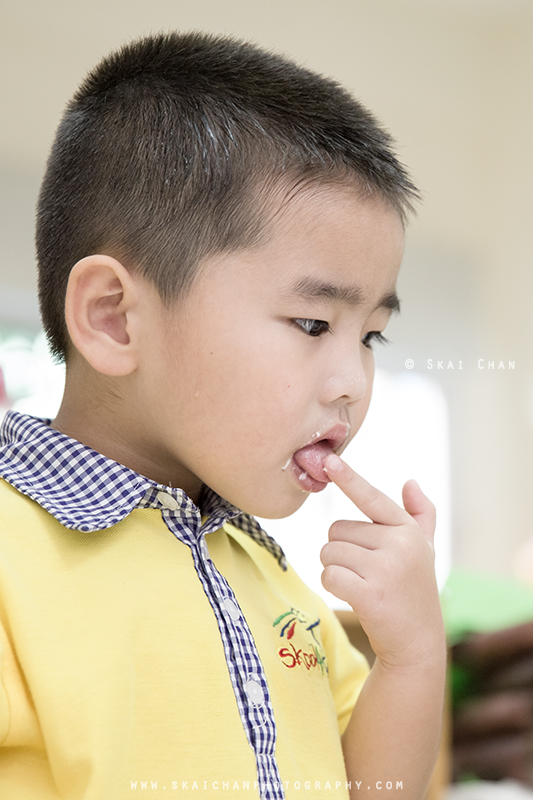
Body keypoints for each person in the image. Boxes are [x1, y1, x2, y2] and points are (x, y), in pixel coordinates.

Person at [0, 32, 446, 799]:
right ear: (114, 319)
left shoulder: (268, 576)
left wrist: (410, 656)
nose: (352, 382)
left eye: (369, 336)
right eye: (312, 324)